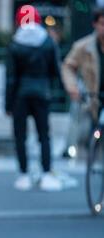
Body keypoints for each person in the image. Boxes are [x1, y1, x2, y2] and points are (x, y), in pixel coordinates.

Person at [6, 5, 62, 192]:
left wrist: (8, 103)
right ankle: (46, 174)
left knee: (20, 136)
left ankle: (24, 175)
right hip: (42, 92)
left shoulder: (15, 43)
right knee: (44, 135)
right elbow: (55, 70)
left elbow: (11, 78)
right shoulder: (47, 41)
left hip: (21, 94)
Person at [62, 7, 104, 155]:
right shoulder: (83, 46)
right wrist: (72, 87)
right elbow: (68, 67)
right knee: (84, 131)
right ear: (95, 24)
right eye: (102, 24)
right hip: (91, 96)